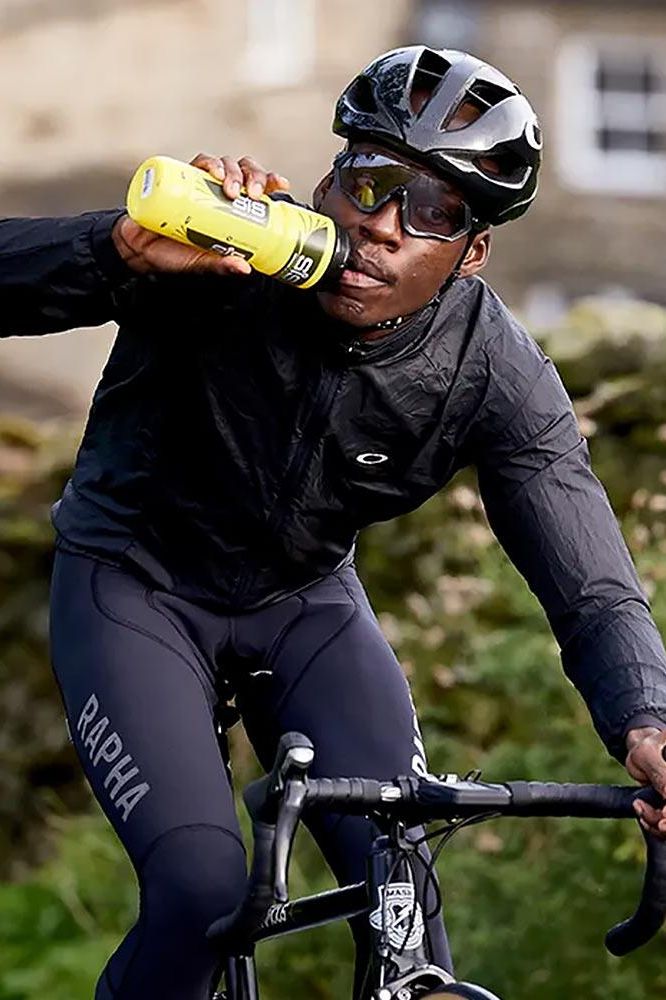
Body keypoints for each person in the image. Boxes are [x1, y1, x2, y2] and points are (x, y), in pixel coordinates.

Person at [2, 44, 666, 1000]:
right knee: (202, 892)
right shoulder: (225, 255)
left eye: (433, 210)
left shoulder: (494, 371)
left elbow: (592, 582)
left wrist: (647, 723)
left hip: (303, 601)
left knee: (408, 917)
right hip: (131, 583)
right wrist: (114, 249)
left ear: (471, 252)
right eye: (372, 182)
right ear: (330, 178)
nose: (385, 227)